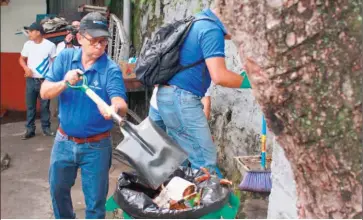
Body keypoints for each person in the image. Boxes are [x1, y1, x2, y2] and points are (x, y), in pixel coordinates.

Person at [40, 12, 128, 219]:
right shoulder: (65, 58)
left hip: (96, 147)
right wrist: (65, 83)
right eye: (94, 40)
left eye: (104, 41)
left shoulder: (111, 69)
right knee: (58, 192)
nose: (99, 46)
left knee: (95, 203)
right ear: (80, 38)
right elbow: (44, 92)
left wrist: (114, 108)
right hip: (64, 142)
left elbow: (120, 101)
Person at [156, 8, 249, 172]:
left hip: (166, 96)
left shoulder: (196, 21)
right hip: (182, 98)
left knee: (182, 158)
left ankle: (182, 194)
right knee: (205, 162)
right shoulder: (212, 29)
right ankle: (208, 195)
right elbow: (220, 76)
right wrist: (252, 82)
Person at [19, 22, 57, 140]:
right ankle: (30, 130)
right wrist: (26, 68)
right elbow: (21, 59)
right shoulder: (28, 45)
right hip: (30, 80)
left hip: (44, 81)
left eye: (31, 31)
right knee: (30, 106)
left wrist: (51, 77)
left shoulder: (50, 45)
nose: (29, 34)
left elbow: (55, 61)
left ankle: (46, 129)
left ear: (38, 32)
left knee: (45, 106)